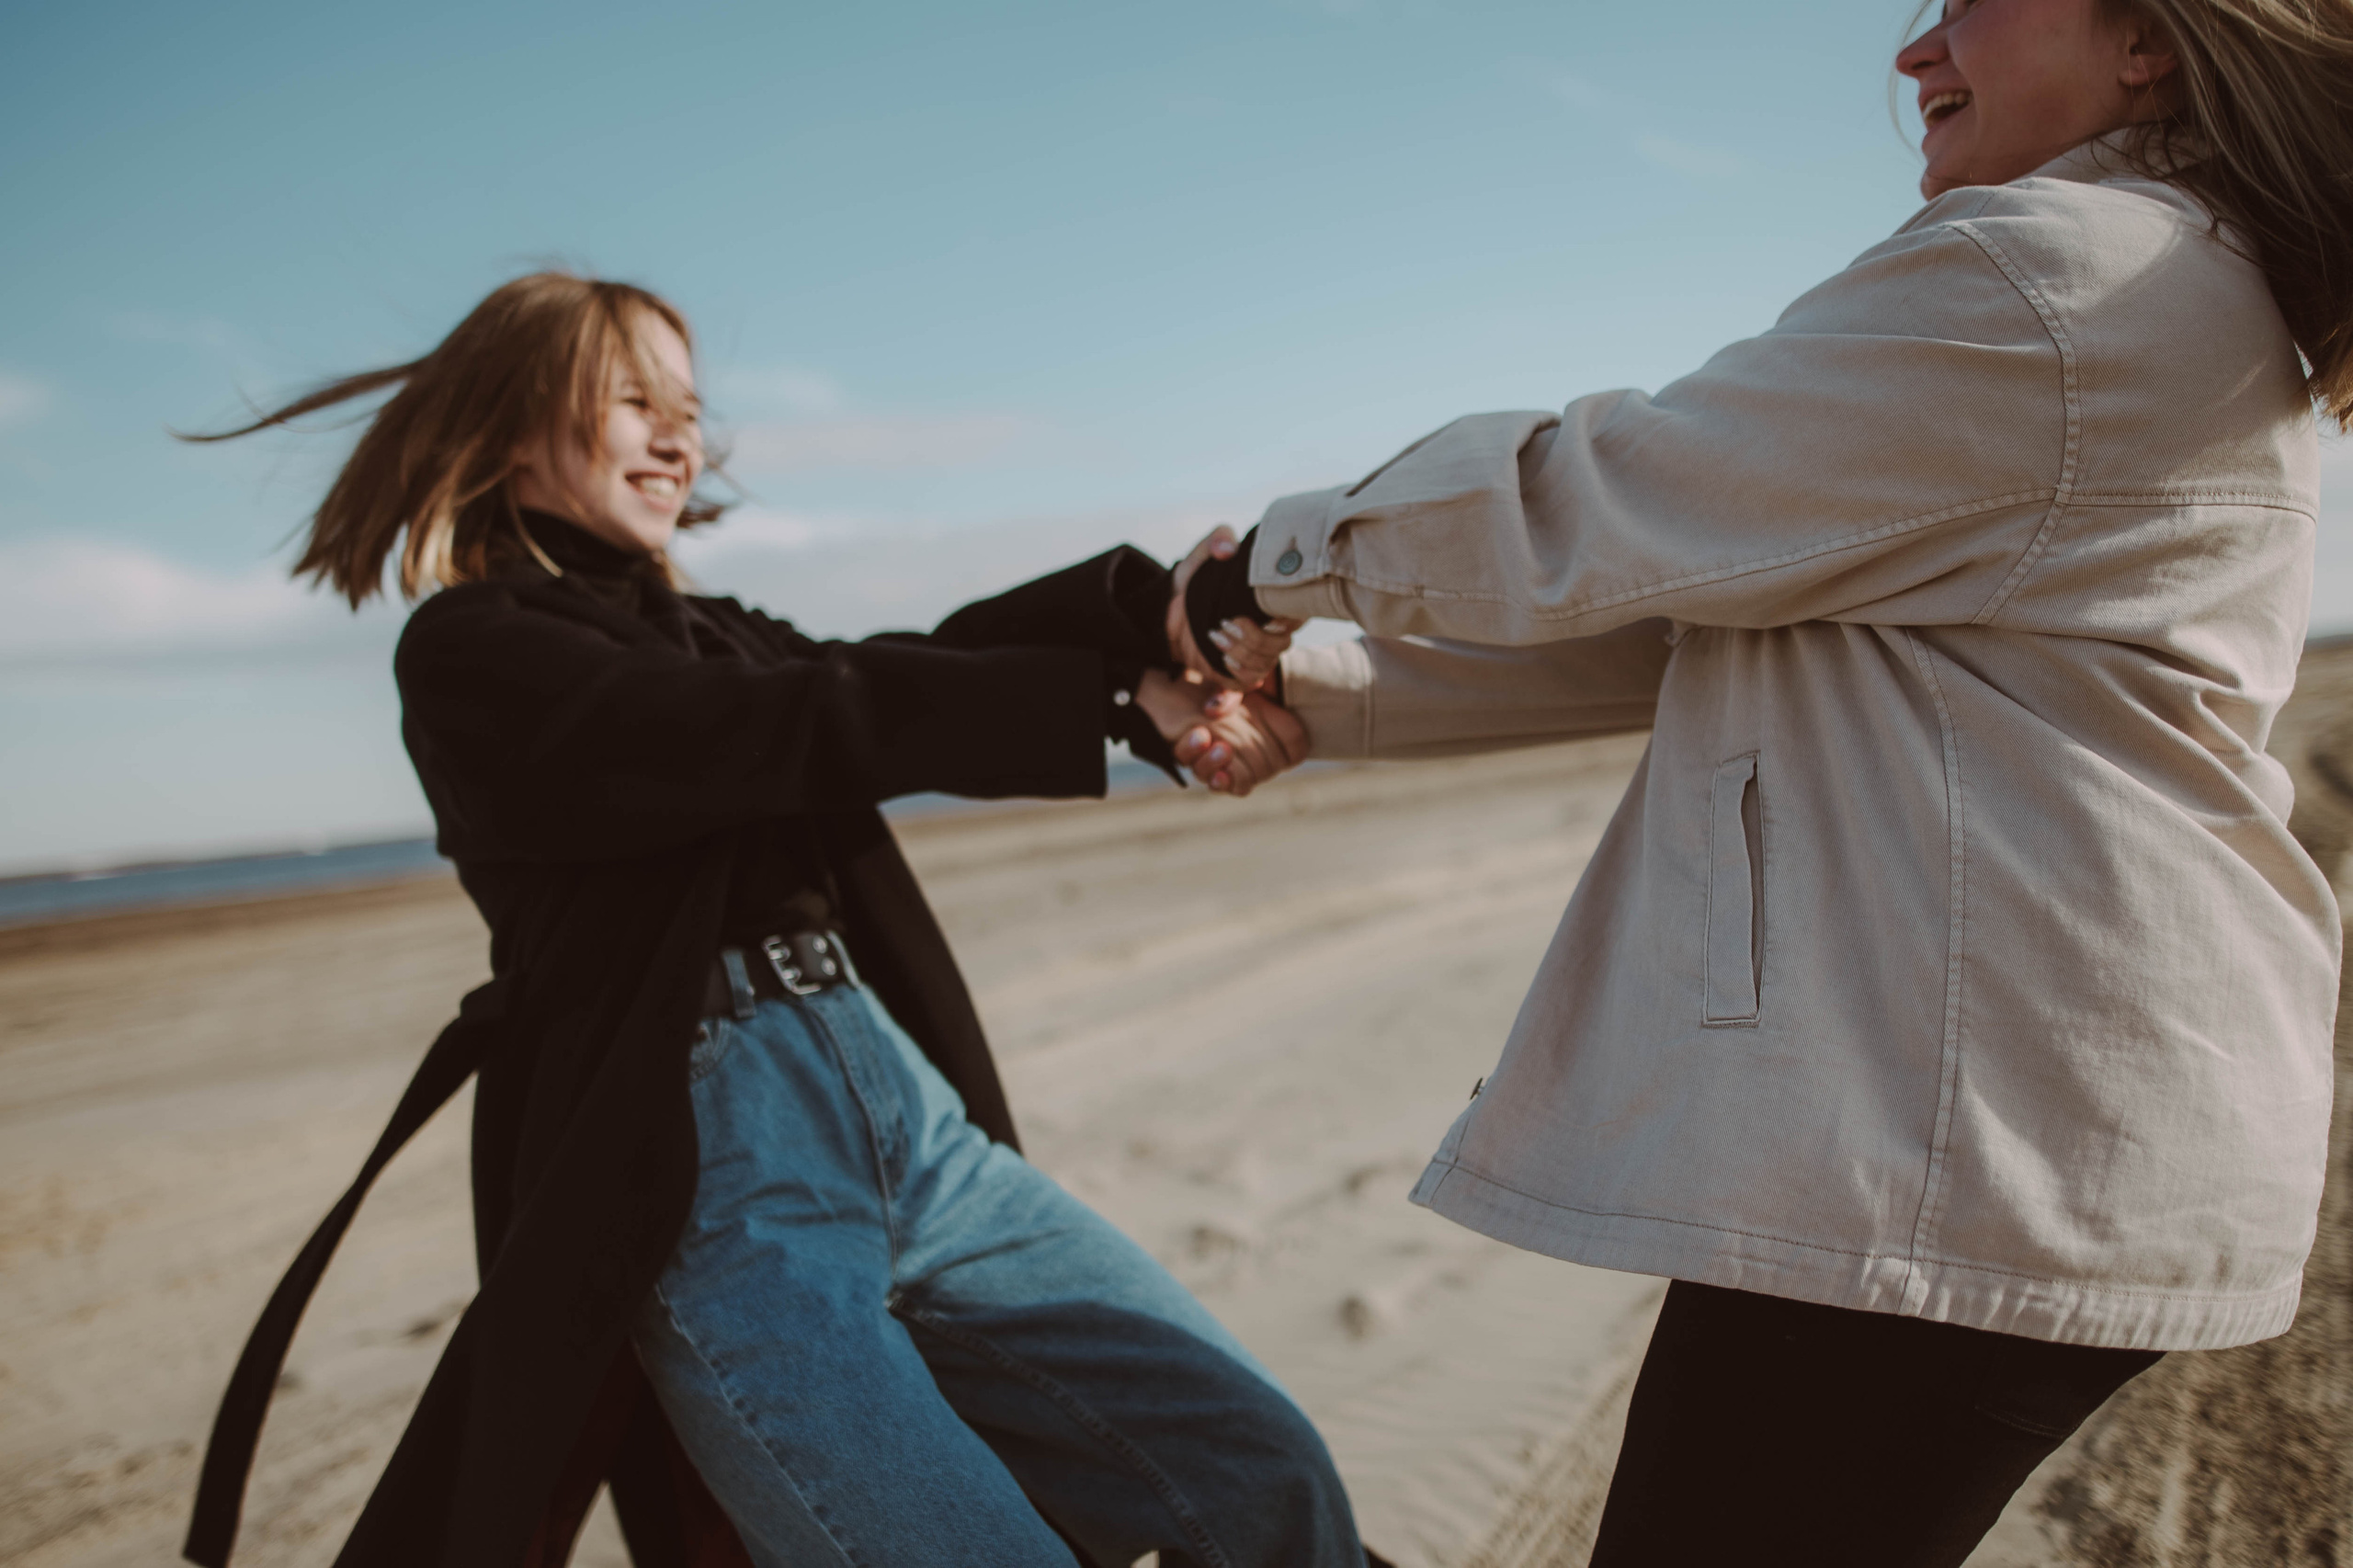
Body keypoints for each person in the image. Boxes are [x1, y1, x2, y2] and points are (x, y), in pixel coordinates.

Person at [1171, 0, 2353, 1562]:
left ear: (2146, 39)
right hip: (2021, 1121)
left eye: (1970, 8)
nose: (1914, 54)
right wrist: (1313, 689)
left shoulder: (2064, 268)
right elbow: (1701, 610)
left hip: (1976, 1135)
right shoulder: (2170, 277)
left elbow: (1607, 503)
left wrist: (1272, 565)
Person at [177, 273, 1370, 1568]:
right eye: (634, 401)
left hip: (915, 1130)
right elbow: (786, 723)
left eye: (688, 408)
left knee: (1263, 1473)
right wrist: (1122, 687)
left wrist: (1156, 619)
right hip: (717, 1179)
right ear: (513, 424)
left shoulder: (717, 631)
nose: (680, 436)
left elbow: (912, 659)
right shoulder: (474, 656)